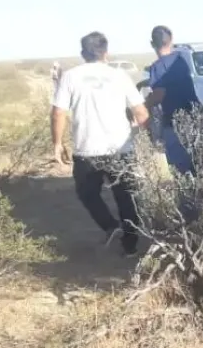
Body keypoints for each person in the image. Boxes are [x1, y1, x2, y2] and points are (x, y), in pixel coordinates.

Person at [51, 31, 150, 257]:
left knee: (87, 193)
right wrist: (150, 139)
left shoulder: (70, 77)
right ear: (106, 52)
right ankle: (130, 246)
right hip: (120, 149)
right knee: (126, 197)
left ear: (83, 53)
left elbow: (58, 113)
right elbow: (141, 112)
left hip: (87, 150)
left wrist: (57, 143)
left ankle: (109, 225)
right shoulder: (120, 76)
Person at [144, 25, 201, 178]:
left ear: (152, 43)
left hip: (173, 122)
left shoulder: (158, 66)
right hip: (193, 117)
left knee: (180, 168)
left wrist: (145, 105)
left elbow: (159, 94)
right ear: (171, 40)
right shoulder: (181, 61)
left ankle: (188, 199)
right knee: (197, 164)